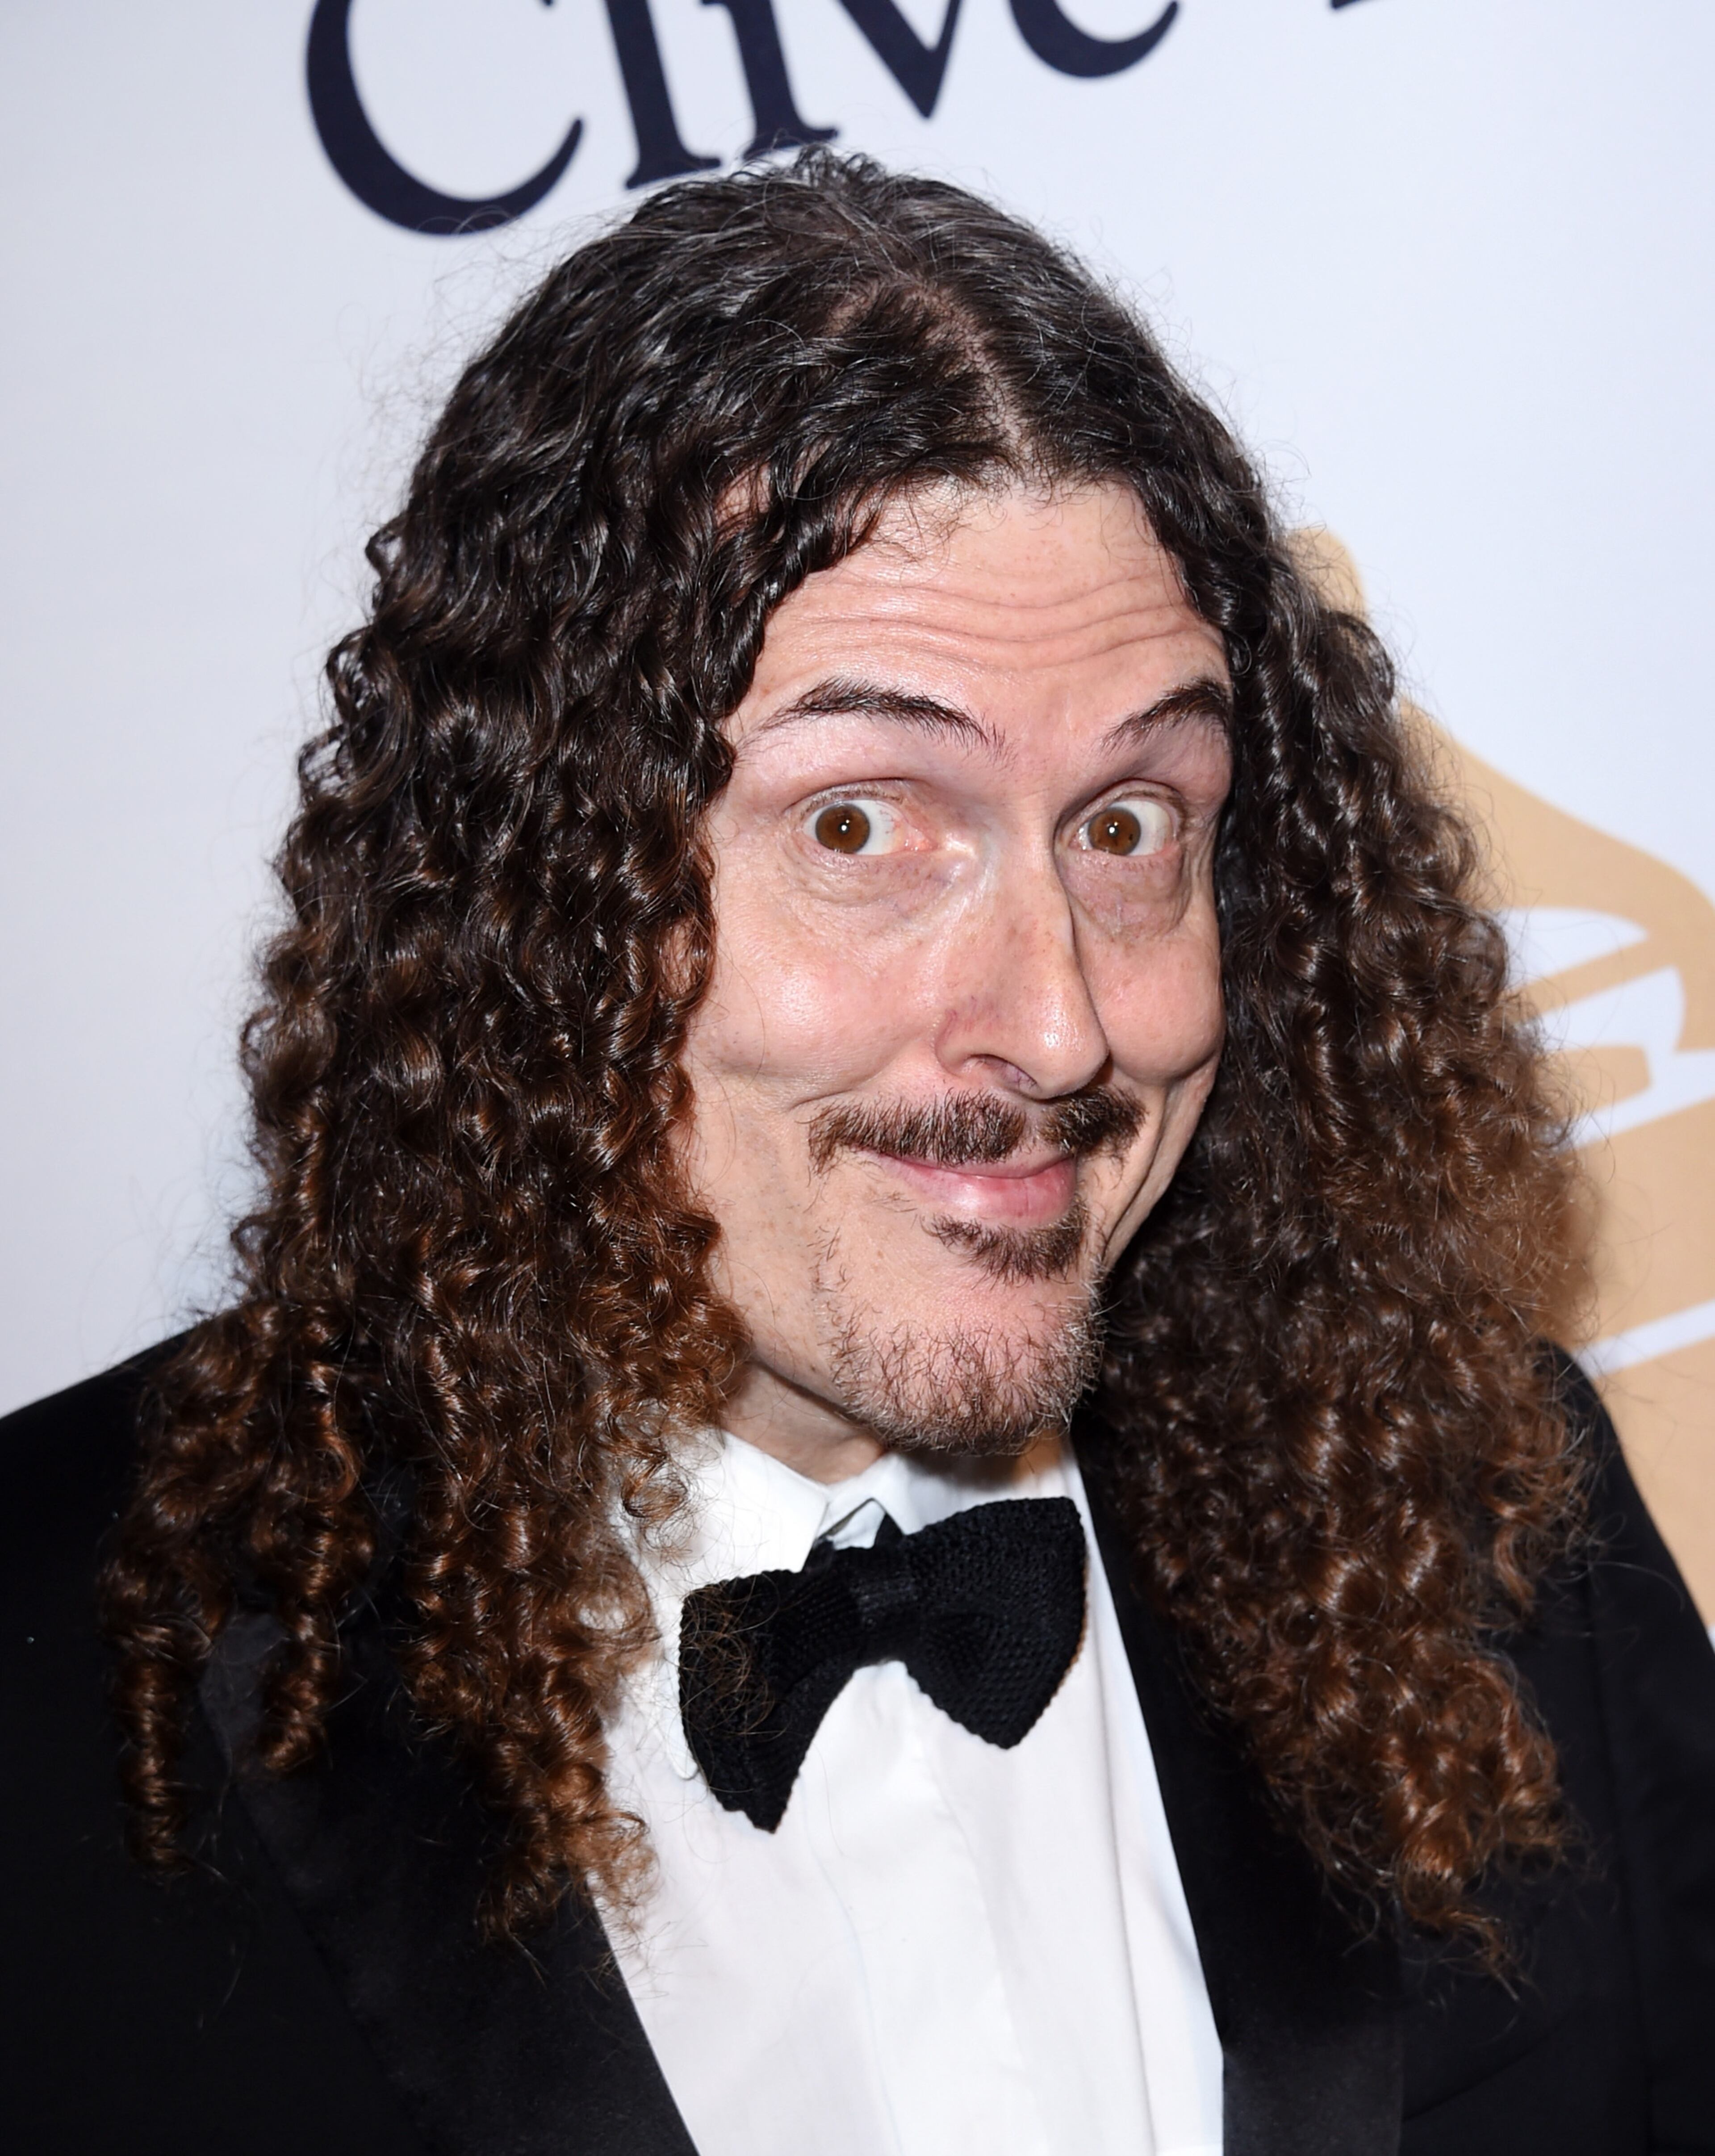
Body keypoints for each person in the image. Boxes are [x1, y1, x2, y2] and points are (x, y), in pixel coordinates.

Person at [4, 152, 1713, 2156]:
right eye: (858, 823)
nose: (1062, 1024)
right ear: (533, 886)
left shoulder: (1482, 1530)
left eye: (1129, 825)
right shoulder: (52, 1684)